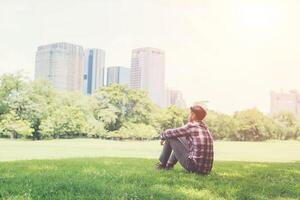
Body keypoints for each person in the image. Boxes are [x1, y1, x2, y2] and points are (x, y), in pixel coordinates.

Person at [156, 105, 214, 175]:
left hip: (194, 167)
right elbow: (179, 137)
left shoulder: (191, 126)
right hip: (206, 170)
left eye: (190, 113)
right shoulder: (205, 128)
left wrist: (163, 137)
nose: (188, 115)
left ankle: (162, 164)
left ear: (193, 115)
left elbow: (170, 133)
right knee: (180, 137)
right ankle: (169, 165)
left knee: (170, 137)